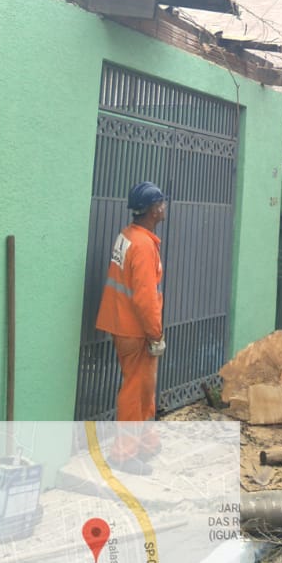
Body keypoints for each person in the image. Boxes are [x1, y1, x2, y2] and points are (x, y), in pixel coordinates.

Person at [95, 181, 168, 472]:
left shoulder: (127, 236)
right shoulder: (142, 245)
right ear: (153, 209)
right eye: (161, 203)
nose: (164, 207)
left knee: (144, 388)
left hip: (121, 322)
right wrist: (155, 333)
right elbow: (144, 297)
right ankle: (123, 454)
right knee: (135, 391)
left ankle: (147, 442)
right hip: (135, 328)